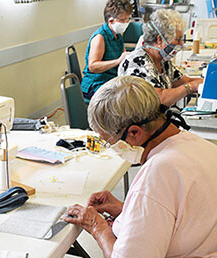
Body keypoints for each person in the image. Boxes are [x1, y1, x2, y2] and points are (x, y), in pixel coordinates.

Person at [63, 76, 217, 257]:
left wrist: (97, 226)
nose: (112, 149)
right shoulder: (200, 145)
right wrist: (126, 209)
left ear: (134, 132)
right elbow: (180, 217)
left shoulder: (157, 175)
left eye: (110, 142)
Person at [118, 9, 203, 106]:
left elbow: (185, 81)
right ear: (159, 39)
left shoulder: (163, 61)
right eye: (178, 40)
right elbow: (160, 99)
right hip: (139, 120)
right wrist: (190, 87)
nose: (181, 44)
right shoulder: (137, 62)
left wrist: (209, 81)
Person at [81, 0, 132, 102]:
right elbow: (93, 66)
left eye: (128, 19)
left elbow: (123, 56)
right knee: (124, 101)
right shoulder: (100, 37)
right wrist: (118, 61)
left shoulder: (118, 36)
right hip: (95, 84)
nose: (126, 23)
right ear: (111, 21)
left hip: (110, 81)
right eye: (123, 20)